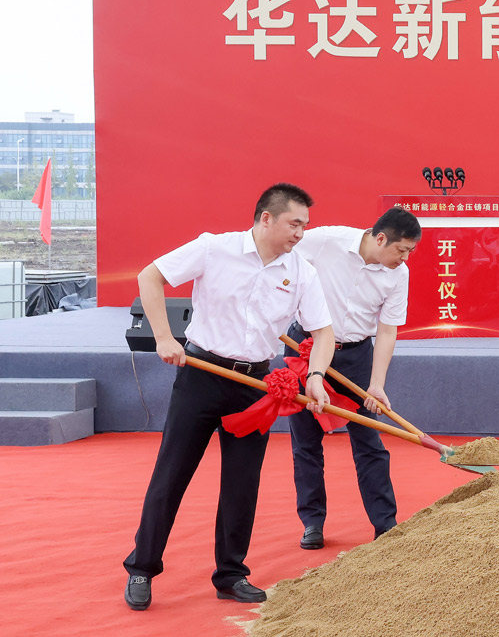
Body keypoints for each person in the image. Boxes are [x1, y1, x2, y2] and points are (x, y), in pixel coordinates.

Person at [123, 183, 337, 610]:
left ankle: (231, 574)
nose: (300, 233)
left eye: (305, 225)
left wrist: (315, 375)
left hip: (255, 386)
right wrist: (164, 337)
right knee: (171, 475)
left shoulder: (302, 271)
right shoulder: (213, 248)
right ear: (266, 218)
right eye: (295, 224)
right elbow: (150, 276)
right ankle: (142, 568)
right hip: (201, 376)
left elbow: (324, 332)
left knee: (242, 484)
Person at [286, 207, 420, 550]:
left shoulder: (399, 274)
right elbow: (280, 256)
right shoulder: (326, 241)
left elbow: (387, 330)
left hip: (356, 355)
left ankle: (385, 525)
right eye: (401, 250)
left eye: (410, 252)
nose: (404, 259)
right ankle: (312, 522)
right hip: (305, 347)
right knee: (306, 442)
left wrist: (377, 384)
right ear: (380, 238)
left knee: (369, 442)